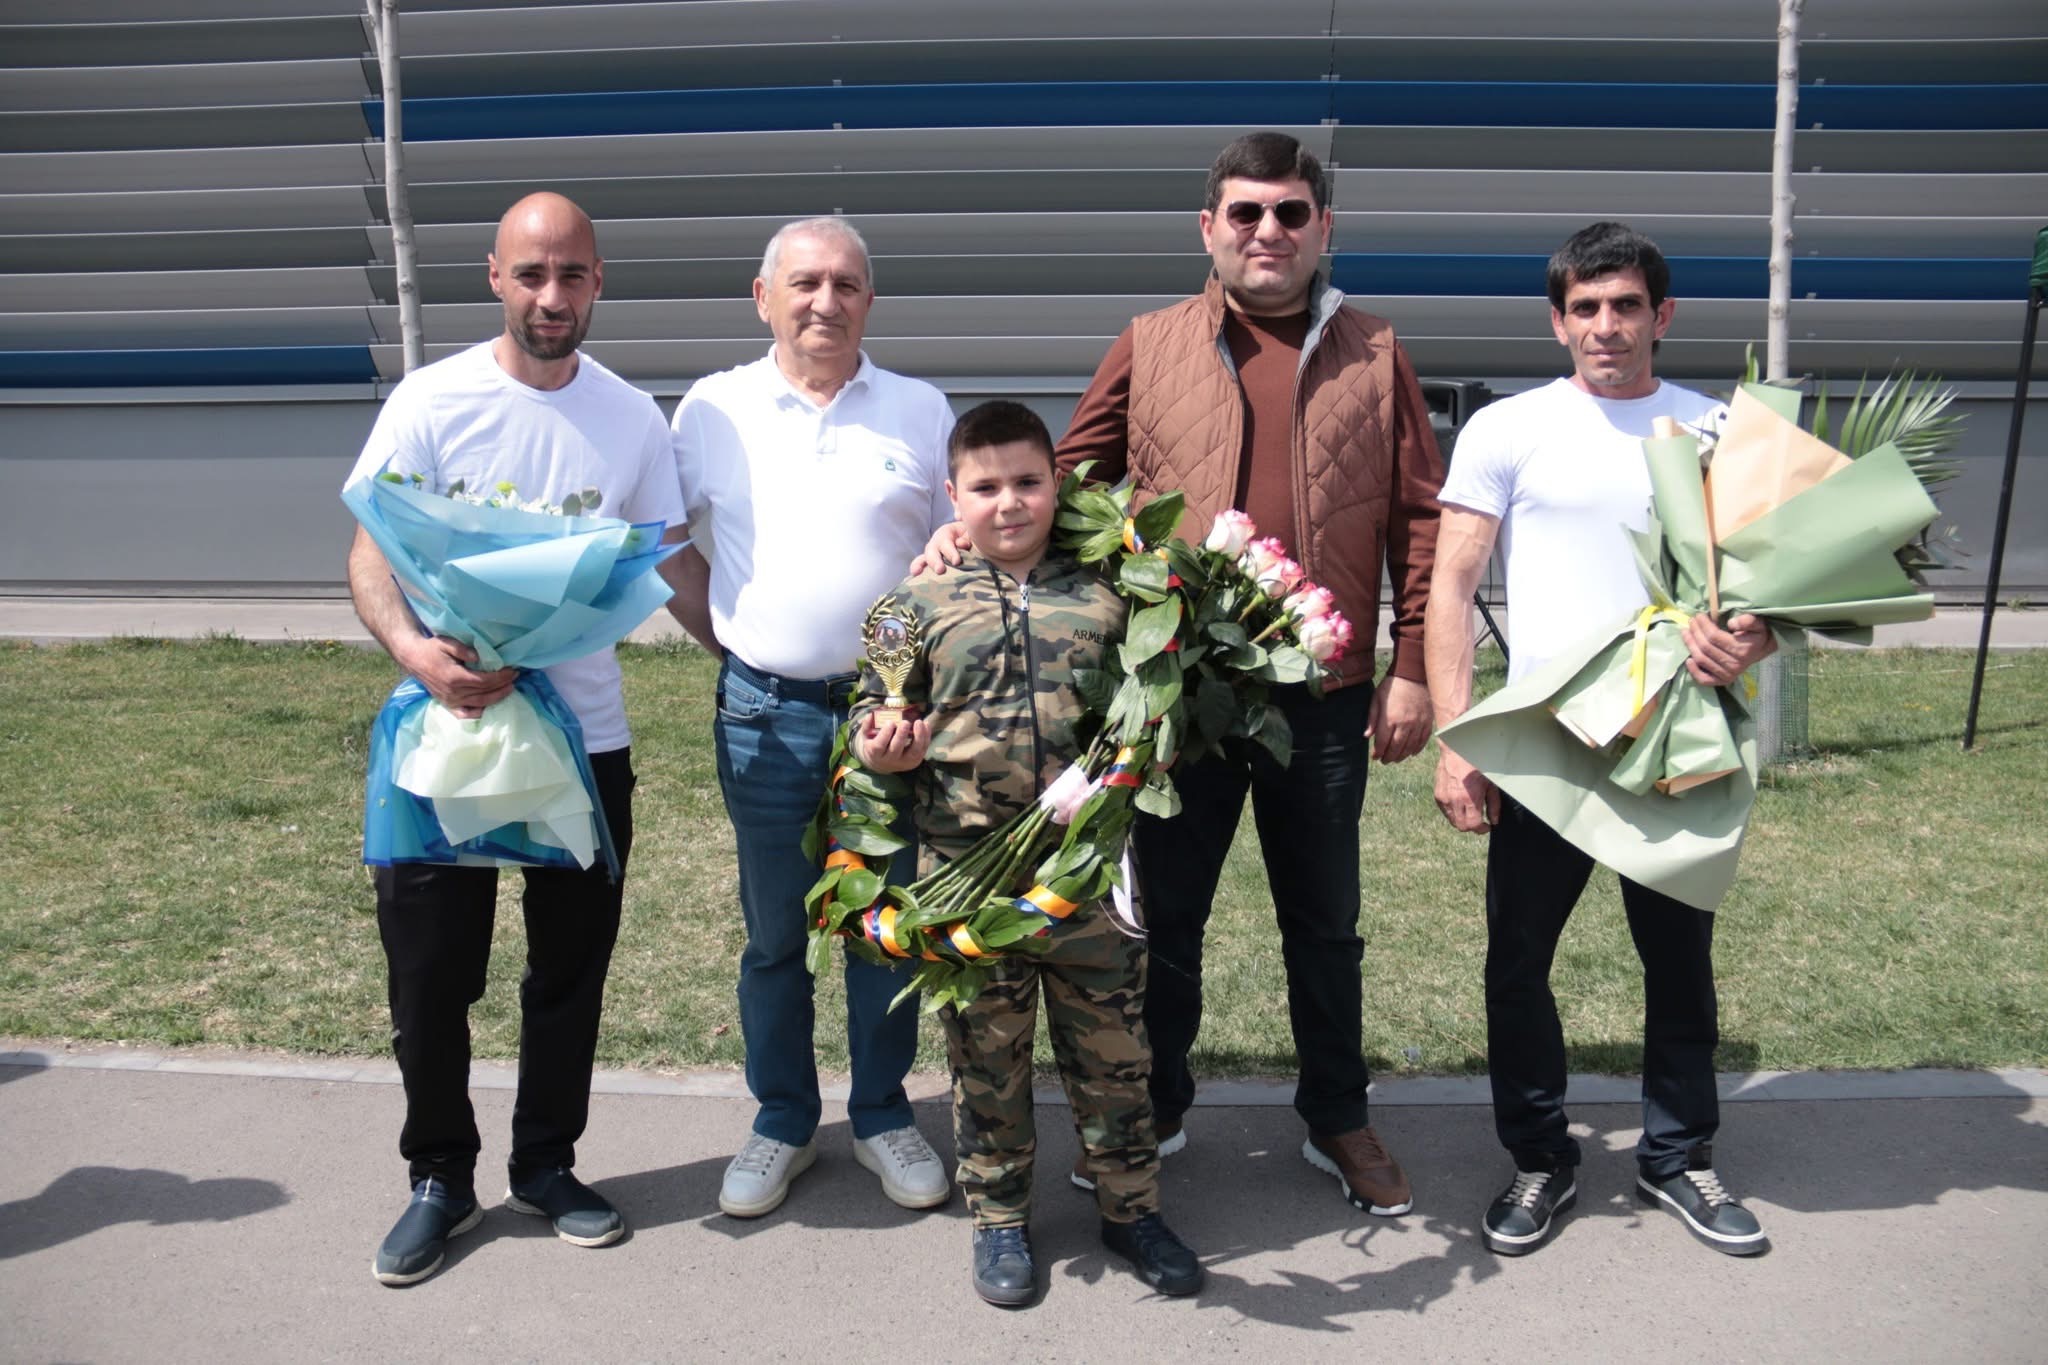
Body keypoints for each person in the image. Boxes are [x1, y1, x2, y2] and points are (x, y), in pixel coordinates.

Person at [931, 132, 1444, 1215]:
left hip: (1322, 695)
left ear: (1323, 227)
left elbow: (1418, 518)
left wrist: (1411, 669)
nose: (1268, 232)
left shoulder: (1376, 350)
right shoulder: (1151, 342)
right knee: (1163, 920)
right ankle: (1152, 1108)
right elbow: (1068, 486)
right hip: (1178, 696)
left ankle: (1337, 1115)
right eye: (1246, 212)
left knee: (1325, 923)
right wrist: (968, 538)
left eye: (1291, 212)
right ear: (1208, 228)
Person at [345, 192, 691, 1286]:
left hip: (584, 740)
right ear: (494, 276)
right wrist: (417, 652)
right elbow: (369, 549)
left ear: (599, 282)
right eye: (531, 274)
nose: (552, 296)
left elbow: (656, 560)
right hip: (446, 726)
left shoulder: (632, 418)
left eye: (572, 274)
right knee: (429, 972)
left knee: (568, 971)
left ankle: (546, 1164)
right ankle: (439, 1177)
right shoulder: (431, 399)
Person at [1425, 221, 1777, 1259]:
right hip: (1548, 744)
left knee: (1679, 962)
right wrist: (1457, 739)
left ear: (1662, 316)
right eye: (1585, 307)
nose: (1606, 326)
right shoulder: (1507, 428)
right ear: (1557, 321)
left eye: (1625, 306)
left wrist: (1750, 638)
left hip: (1673, 737)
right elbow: (1450, 581)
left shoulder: (1717, 431)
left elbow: (1769, 590)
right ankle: (1539, 1158)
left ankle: (1677, 1156)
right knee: (1516, 964)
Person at [854, 400, 1203, 1306]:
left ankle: (1132, 1209)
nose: (1008, 502)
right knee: (986, 1056)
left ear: (1059, 485)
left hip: (1089, 874)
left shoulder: (1112, 591)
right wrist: (880, 745)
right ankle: (1001, 1215)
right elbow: (871, 711)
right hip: (969, 877)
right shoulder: (912, 606)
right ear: (953, 496)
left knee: (1115, 1054)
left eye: (1027, 482)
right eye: (985, 487)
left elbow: (1158, 697)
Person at [667, 217, 952, 1219]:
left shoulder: (919, 409)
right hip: (765, 713)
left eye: (844, 283)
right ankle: (782, 1119)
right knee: (775, 934)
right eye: (804, 282)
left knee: (883, 926)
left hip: (884, 718)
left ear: (869, 300)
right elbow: (665, 543)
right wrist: (738, 642)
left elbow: (946, 560)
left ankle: (881, 1114)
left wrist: (907, 680)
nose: (824, 301)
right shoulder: (713, 409)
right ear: (763, 298)